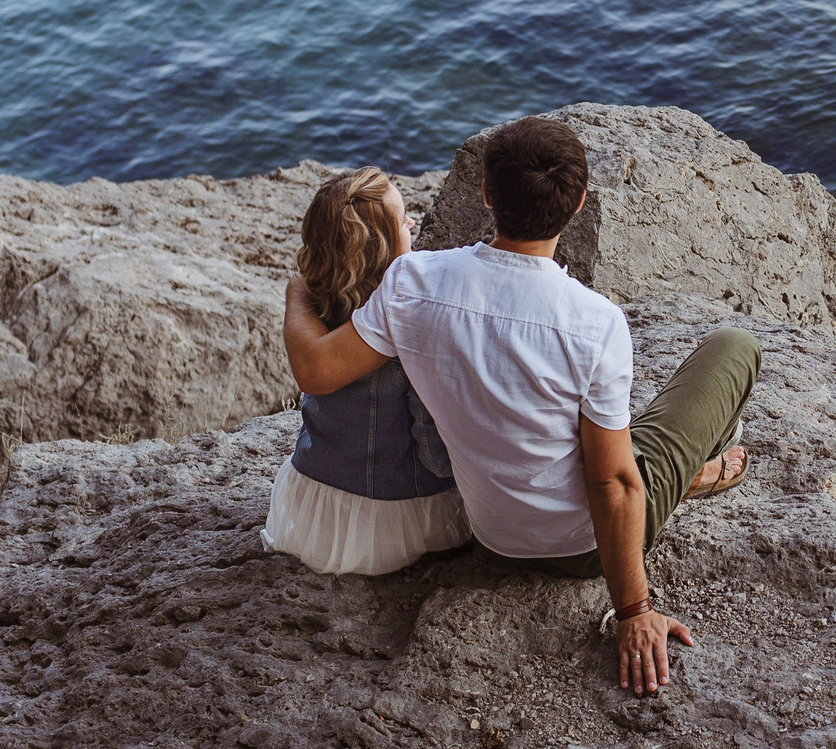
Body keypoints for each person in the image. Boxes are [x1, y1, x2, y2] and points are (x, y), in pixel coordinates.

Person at [283, 116, 758, 696]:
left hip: (491, 534)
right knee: (733, 347)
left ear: (486, 194)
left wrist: (297, 291)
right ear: (579, 204)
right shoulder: (595, 322)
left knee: (598, 440)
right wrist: (634, 611)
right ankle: (689, 473)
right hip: (582, 548)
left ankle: (683, 471)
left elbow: (316, 369)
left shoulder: (411, 283)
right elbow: (612, 484)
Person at [263, 168, 472, 574]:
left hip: (314, 502)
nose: (412, 222)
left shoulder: (322, 302)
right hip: (394, 514)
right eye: (402, 219)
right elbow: (432, 450)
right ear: (379, 247)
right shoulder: (407, 320)